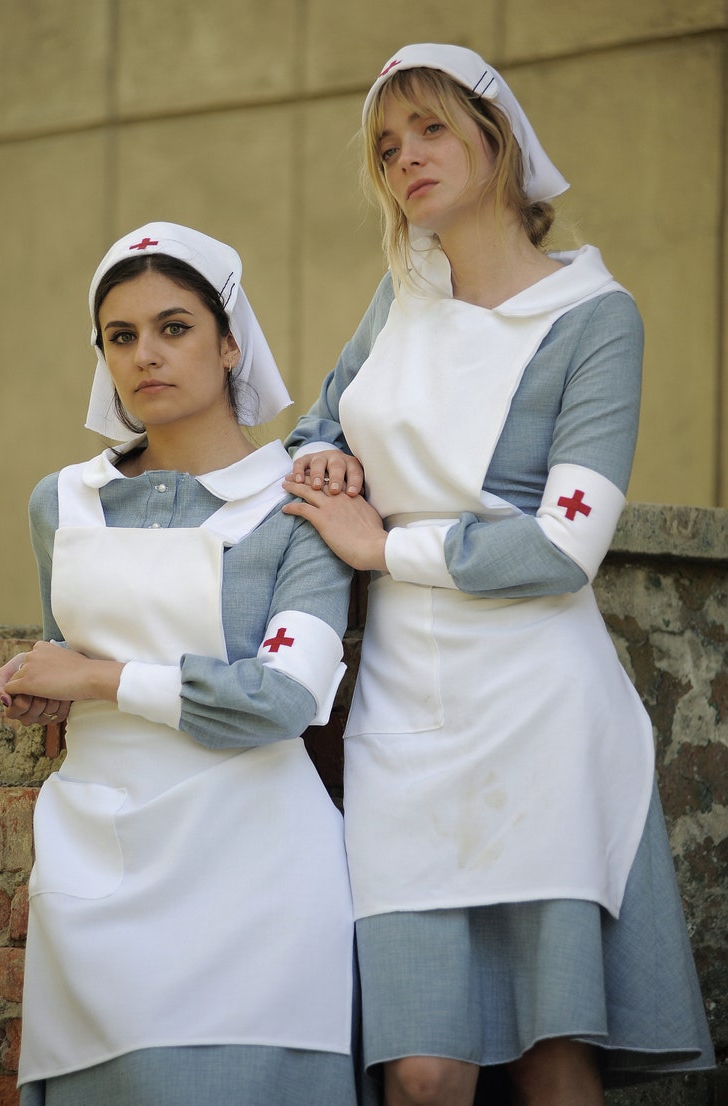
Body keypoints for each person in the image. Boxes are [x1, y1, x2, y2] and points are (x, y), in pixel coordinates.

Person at [283, 44, 715, 1106]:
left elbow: (561, 542)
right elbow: (314, 422)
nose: (405, 159)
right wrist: (322, 458)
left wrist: (383, 548)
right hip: (399, 709)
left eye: (430, 128)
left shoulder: (594, 317)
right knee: (422, 1068)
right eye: (387, 146)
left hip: (537, 708)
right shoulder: (398, 298)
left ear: (497, 135)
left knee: (549, 1053)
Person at [0, 222, 359, 1106]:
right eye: (121, 337)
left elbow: (284, 698)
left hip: (257, 878)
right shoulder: (62, 502)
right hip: (97, 867)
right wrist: (45, 688)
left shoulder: (301, 502)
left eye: (174, 327)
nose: (145, 356)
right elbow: (61, 651)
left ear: (231, 342)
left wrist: (94, 680)